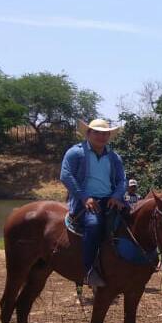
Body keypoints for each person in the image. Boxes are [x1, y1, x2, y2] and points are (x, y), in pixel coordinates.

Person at [60, 118, 128, 287]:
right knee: (94, 225)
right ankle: (89, 271)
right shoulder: (76, 153)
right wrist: (84, 197)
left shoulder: (113, 157)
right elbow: (66, 175)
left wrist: (117, 195)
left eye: (105, 133)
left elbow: (122, 180)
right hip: (86, 201)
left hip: (110, 199)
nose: (101, 136)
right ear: (88, 133)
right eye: (97, 132)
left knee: (134, 220)